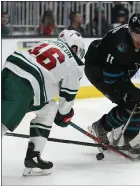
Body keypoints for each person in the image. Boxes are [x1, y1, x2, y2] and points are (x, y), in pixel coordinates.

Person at [1, 30, 85, 176]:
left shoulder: (48, 43)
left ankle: (33, 159)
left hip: (10, 69)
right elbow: (67, 100)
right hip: (25, 84)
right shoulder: (74, 63)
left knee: (49, 108)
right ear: (76, 48)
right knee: (2, 124)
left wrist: (59, 113)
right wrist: (65, 115)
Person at [84, 13, 140, 155]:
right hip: (99, 70)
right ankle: (100, 127)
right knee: (132, 101)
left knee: (135, 101)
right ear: (130, 31)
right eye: (136, 35)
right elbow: (111, 79)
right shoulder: (118, 44)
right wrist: (129, 92)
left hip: (121, 68)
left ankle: (129, 139)